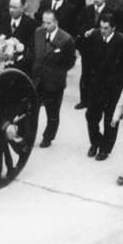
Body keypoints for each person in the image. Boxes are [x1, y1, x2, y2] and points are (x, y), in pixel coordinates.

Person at [83, 14, 123, 161]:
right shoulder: (94, 37)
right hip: (96, 86)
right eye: (101, 27)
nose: (102, 31)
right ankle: (95, 142)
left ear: (113, 28)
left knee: (111, 120)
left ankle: (105, 148)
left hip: (113, 88)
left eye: (106, 28)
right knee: (91, 116)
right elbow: (88, 61)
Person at [31, 9, 76, 148]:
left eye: (49, 23)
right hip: (37, 79)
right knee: (32, 111)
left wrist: (57, 72)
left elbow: (70, 61)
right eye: (43, 22)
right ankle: (29, 136)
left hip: (54, 82)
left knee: (52, 112)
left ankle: (48, 137)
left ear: (56, 22)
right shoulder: (38, 33)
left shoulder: (66, 39)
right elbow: (33, 52)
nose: (45, 26)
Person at [76, 0, 109, 110]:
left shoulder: (109, 11)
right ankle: (83, 100)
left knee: (99, 75)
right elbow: (79, 25)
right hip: (87, 48)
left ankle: (97, 101)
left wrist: (95, 31)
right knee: (85, 74)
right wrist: (85, 32)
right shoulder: (87, 10)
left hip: (101, 49)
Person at [0, 0, 38, 74]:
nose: (11, 10)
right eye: (10, 7)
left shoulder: (32, 24)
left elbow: (31, 48)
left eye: (15, 8)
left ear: (22, 8)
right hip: (2, 64)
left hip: (22, 67)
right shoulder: (3, 19)